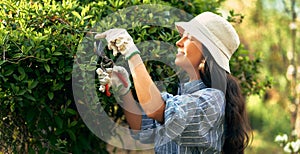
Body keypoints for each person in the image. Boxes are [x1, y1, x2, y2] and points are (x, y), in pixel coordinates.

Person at [95, 11, 252, 154]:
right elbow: (141, 126)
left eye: (189, 38)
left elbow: (155, 110)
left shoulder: (213, 101)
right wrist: (123, 88)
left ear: (207, 54)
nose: (179, 42)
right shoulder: (184, 97)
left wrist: (131, 52)